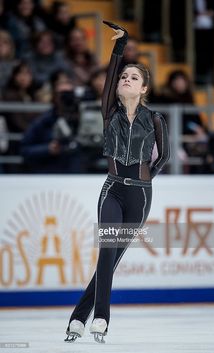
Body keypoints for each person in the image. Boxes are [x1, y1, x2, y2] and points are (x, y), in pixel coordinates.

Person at [64, 21, 170, 344]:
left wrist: (145, 178)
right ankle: (101, 318)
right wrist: (120, 47)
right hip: (111, 189)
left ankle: (76, 319)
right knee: (106, 250)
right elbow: (109, 79)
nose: (126, 79)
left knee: (111, 260)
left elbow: (164, 156)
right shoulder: (108, 112)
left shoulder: (154, 119)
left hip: (139, 197)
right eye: (125, 76)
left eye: (133, 77)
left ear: (144, 89)